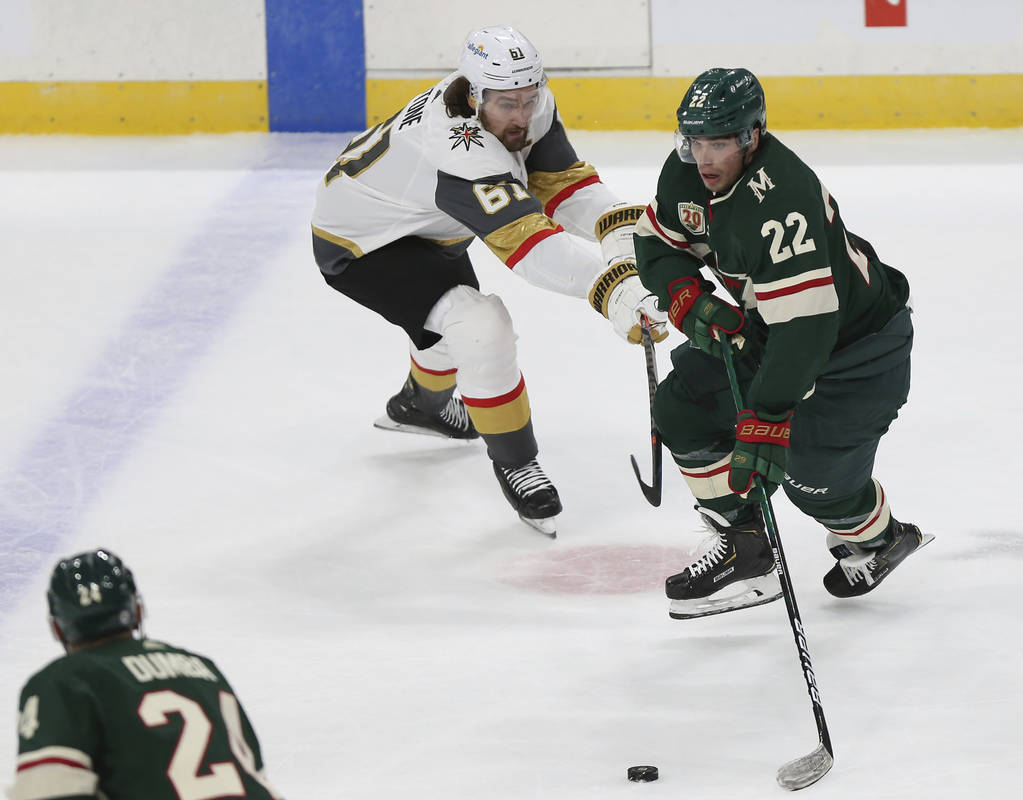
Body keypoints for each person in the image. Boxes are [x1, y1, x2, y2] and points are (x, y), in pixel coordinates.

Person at [310, 25, 667, 536]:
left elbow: (559, 183)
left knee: (446, 325)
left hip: (427, 224)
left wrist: (624, 237)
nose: (521, 116)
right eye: (506, 105)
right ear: (474, 96)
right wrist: (614, 290)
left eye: (528, 99)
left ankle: (420, 405)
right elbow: (529, 245)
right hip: (361, 244)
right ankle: (516, 460)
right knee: (480, 326)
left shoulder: (519, 102)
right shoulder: (455, 149)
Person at [633, 68, 933, 619]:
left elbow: (807, 330)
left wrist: (768, 415)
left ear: (751, 137)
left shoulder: (783, 197)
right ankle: (749, 552)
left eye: (719, 142)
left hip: (860, 350)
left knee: (811, 482)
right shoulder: (685, 174)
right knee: (682, 407)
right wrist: (684, 293)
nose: (704, 158)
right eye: (695, 140)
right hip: (772, 327)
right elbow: (659, 240)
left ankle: (877, 540)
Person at [10, 549, 282, 800]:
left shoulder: (63, 681)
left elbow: (47, 793)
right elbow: (254, 776)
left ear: (57, 628)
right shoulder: (204, 670)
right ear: (137, 611)